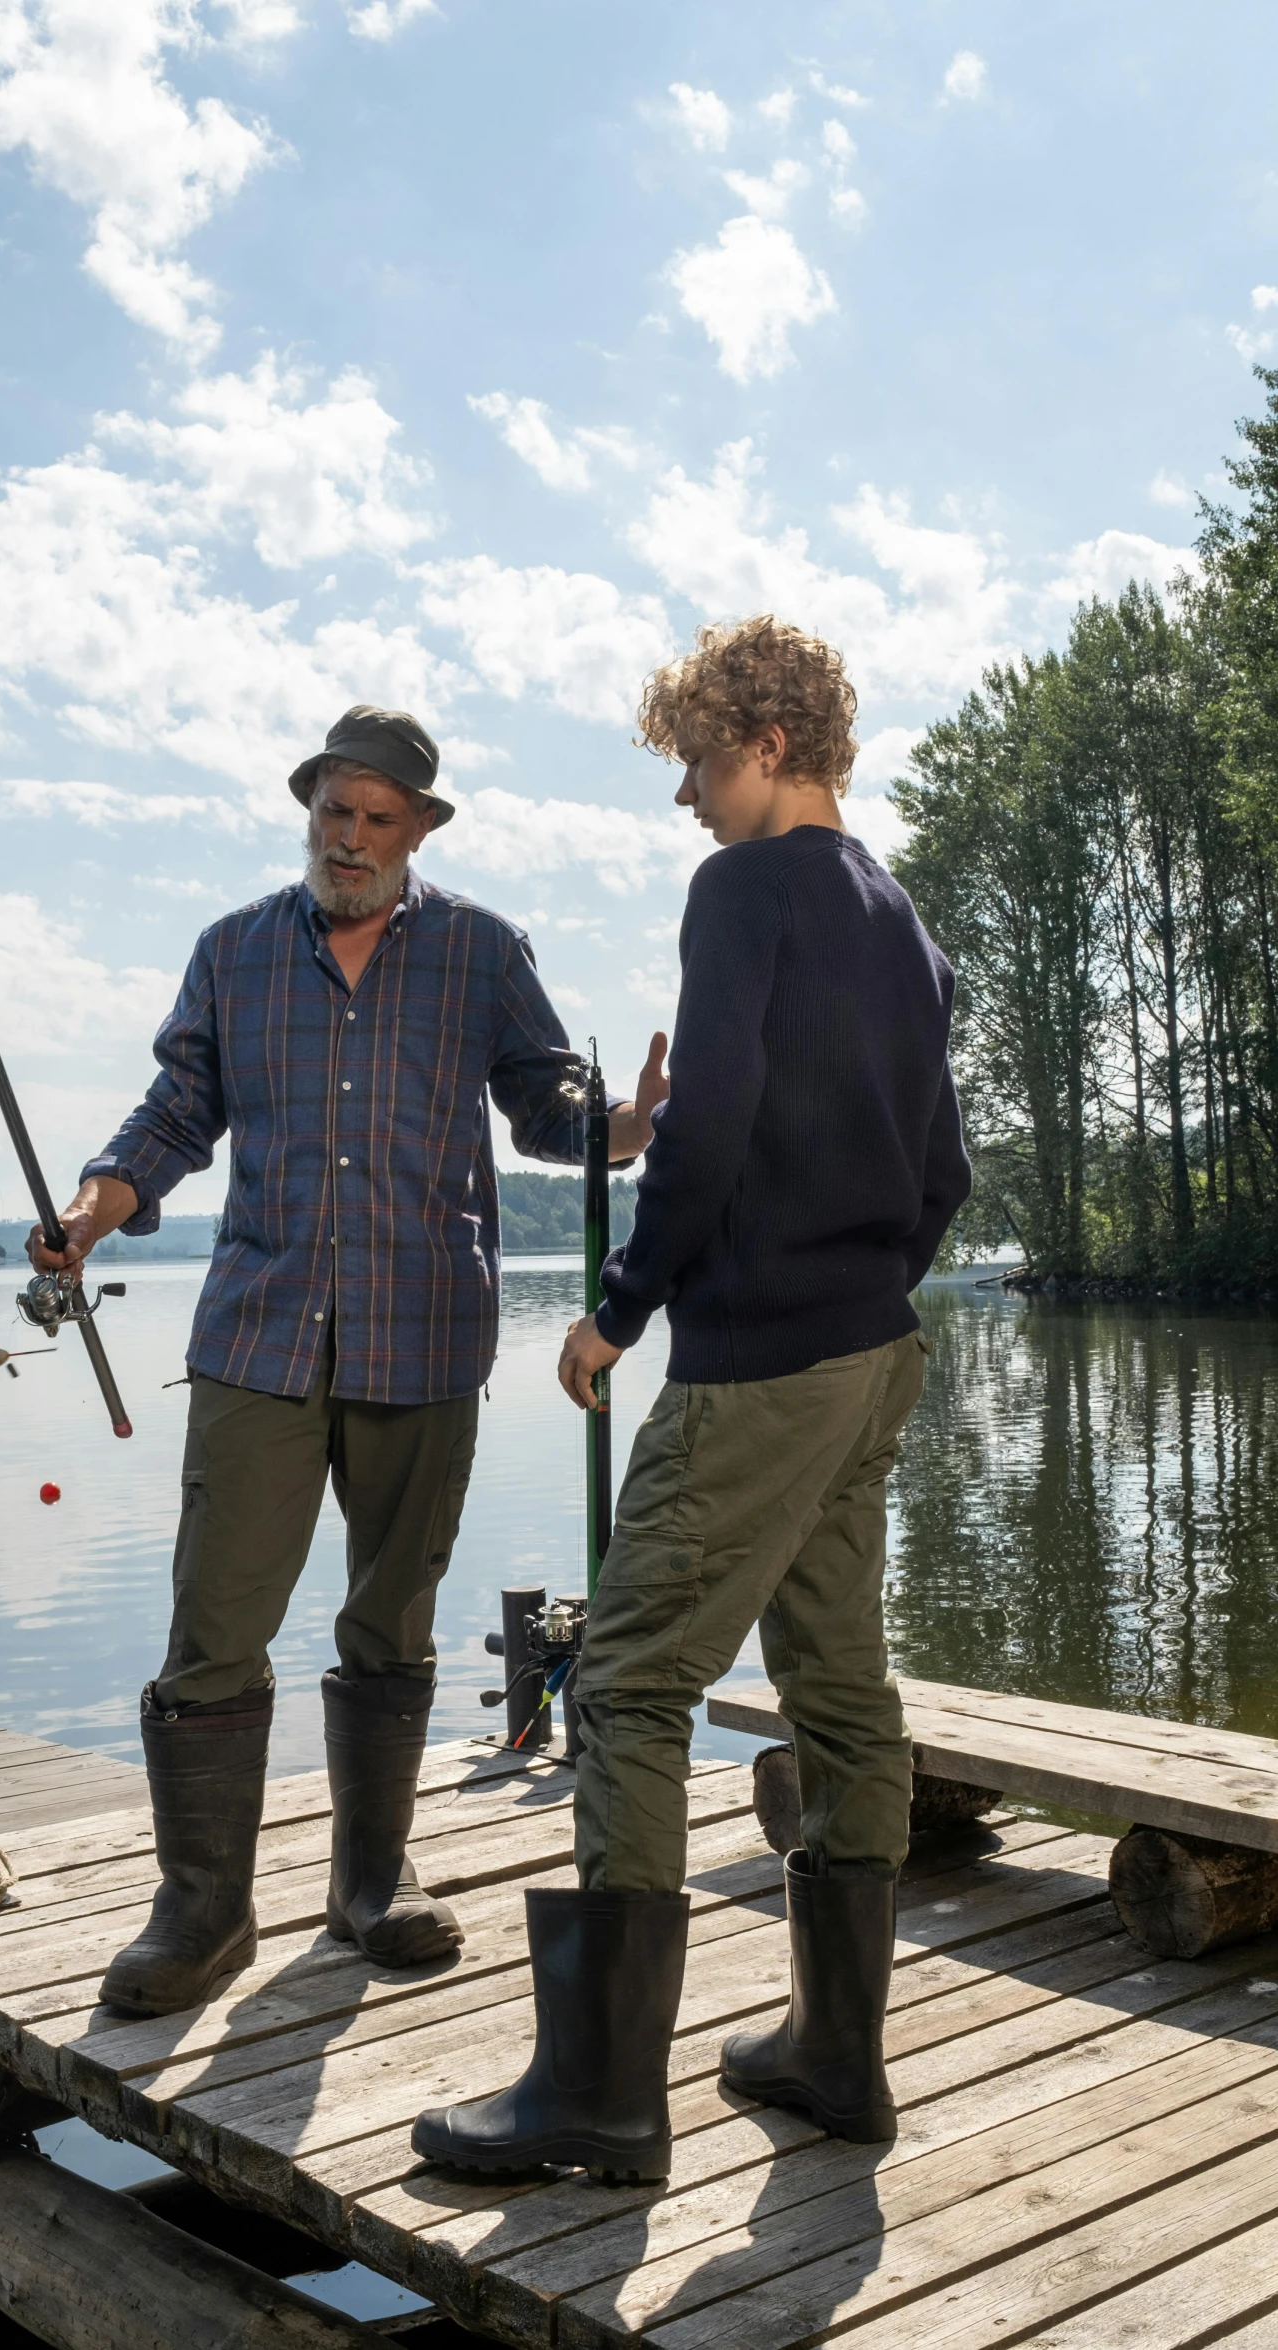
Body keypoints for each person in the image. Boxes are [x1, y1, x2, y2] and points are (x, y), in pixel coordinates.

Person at [413, 618, 971, 2181]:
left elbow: (708, 1128)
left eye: (698, 758)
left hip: (759, 1366)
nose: (685, 797)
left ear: (771, 743)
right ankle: (830, 2057)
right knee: (842, 1691)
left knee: (628, 1685)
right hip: (872, 1358)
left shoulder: (743, 892)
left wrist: (617, 1307)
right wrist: (863, 1282)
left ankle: (597, 2095)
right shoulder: (903, 922)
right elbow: (945, 1174)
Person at [31, 705, 665, 2018]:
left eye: (380, 817)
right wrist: (96, 1204)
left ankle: (371, 1879)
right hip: (259, 1334)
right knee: (213, 1622)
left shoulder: (483, 952)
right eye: (334, 810)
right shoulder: (233, 953)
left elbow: (545, 1104)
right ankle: (200, 1908)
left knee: (392, 1616)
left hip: (425, 1329)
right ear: (307, 807)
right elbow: (172, 1110)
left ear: (419, 829)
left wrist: (620, 1124)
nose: (352, 837)